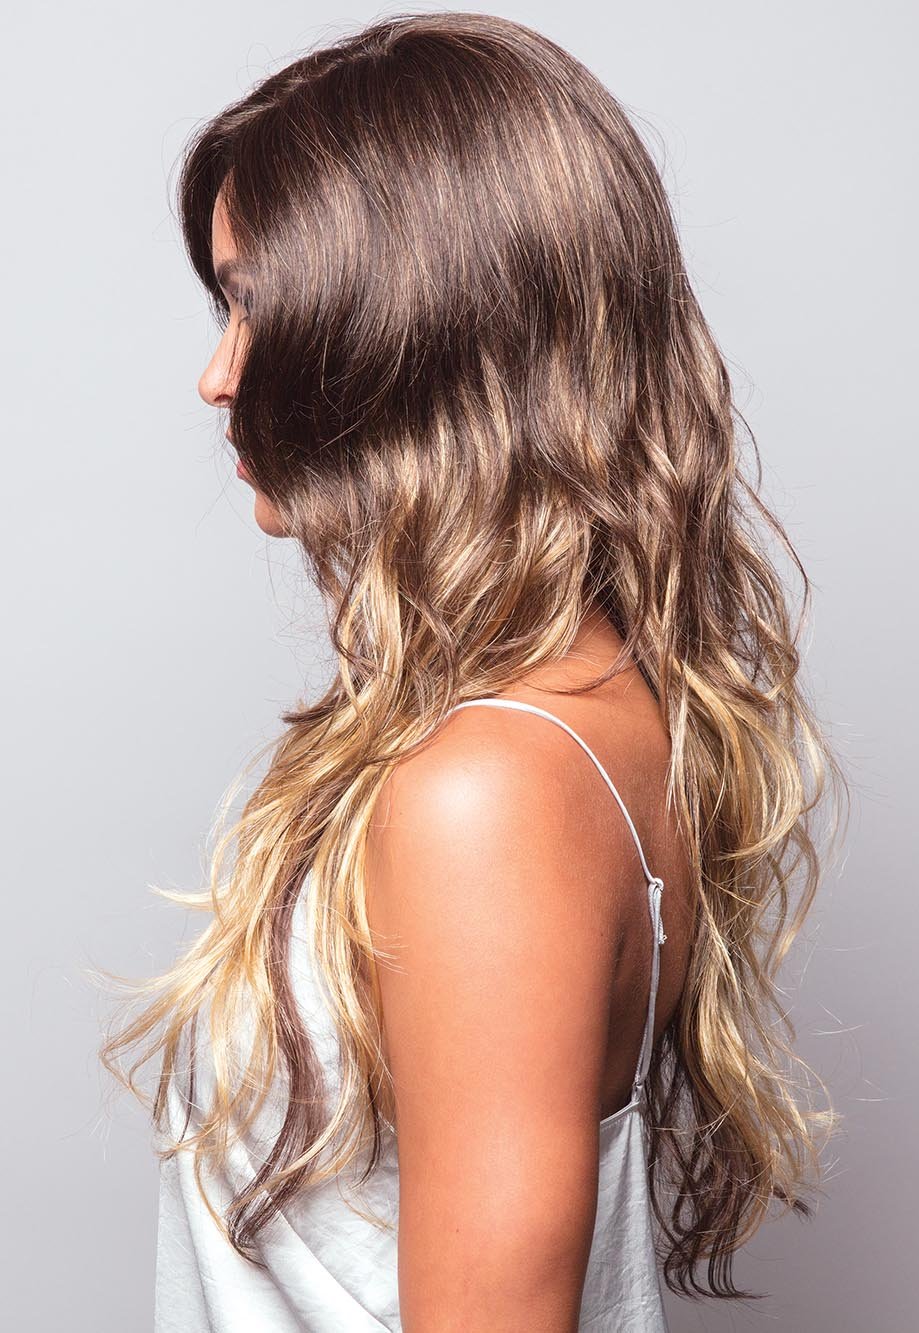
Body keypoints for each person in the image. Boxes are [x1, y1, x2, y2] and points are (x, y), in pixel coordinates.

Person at [99, 12, 844, 1331]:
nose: (217, 377)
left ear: (406, 329)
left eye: (258, 306)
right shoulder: (577, 717)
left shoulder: (488, 784)